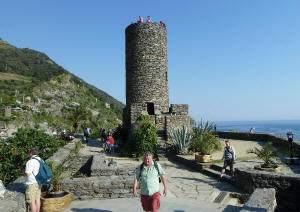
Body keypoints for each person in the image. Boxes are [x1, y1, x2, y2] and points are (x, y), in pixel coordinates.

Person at [24, 148, 42, 212]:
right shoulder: (40, 159)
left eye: (29, 153)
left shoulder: (30, 162)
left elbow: (28, 174)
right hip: (39, 182)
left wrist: (23, 172)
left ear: (31, 153)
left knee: (32, 201)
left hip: (32, 183)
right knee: (37, 199)